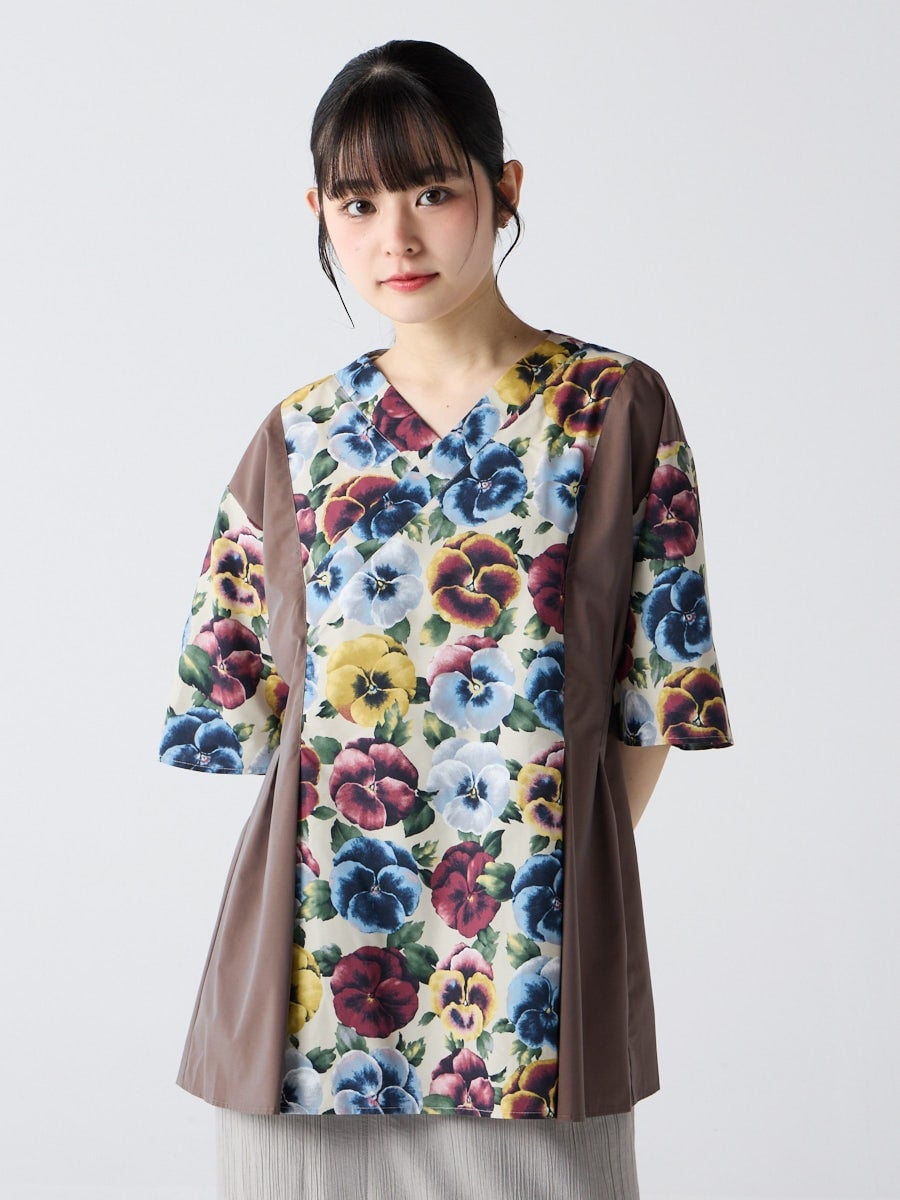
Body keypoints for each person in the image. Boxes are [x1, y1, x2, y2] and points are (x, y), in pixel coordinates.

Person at [158, 38, 734, 1200]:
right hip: (310, 997)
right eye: (359, 203)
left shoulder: (612, 410)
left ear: (504, 187)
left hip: (530, 991)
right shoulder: (297, 437)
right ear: (318, 213)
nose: (396, 239)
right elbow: (240, 715)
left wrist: (544, 869)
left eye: (432, 192)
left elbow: (657, 698)